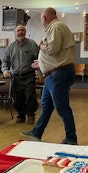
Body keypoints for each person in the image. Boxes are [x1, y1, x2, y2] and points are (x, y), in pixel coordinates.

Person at [20, 7, 78, 145]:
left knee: (62, 107)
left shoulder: (56, 27)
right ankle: (36, 133)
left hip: (59, 74)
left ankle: (71, 138)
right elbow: (56, 53)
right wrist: (40, 62)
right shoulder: (56, 27)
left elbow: (52, 49)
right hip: (54, 75)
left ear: (44, 18)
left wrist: (41, 46)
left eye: (41, 19)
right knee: (46, 105)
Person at [2, 24, 39, 124]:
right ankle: (21, 114)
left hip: (29, 75)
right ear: (15, 33)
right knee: (18, 97)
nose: (20, 32)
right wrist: (5, 70)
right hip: (16, 77)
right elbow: (5, 61)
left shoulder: (32, 44)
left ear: (25, 32)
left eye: (22, 30)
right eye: (18, 30)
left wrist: (39, 72)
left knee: (30, 96)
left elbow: (38, 59)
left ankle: (31, 114)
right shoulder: (10, 47)